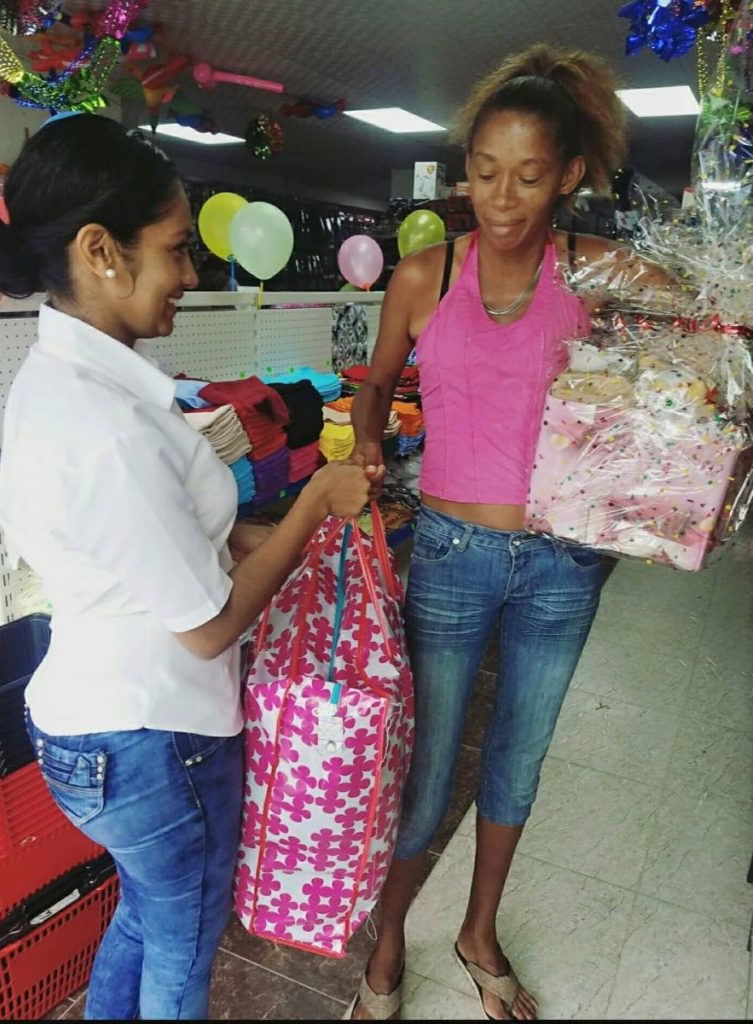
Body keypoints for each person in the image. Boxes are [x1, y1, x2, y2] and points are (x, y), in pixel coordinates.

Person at [0, 113, 369, 1021]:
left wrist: (251, 536)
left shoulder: (63, 382)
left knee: (149, 922)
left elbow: (149, 547)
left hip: (92, 728)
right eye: (177, 250)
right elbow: (206, 628)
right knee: (182, 954)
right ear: (99, 250)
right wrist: (310, 505)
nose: (193, 275)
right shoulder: (106, 426)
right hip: (154, 742)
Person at [348, 44, 666, 1021]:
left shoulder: (596, 272)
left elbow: (702, 326)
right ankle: (389, 939)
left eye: (529, 174)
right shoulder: (422, 274)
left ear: (568, 173)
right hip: (448, 554)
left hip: (566, 563)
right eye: (484, 172)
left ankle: (478, 931)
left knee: (518, 758)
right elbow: (371, 391)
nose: (501, 196)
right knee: (430, 764)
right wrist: (363, 450)